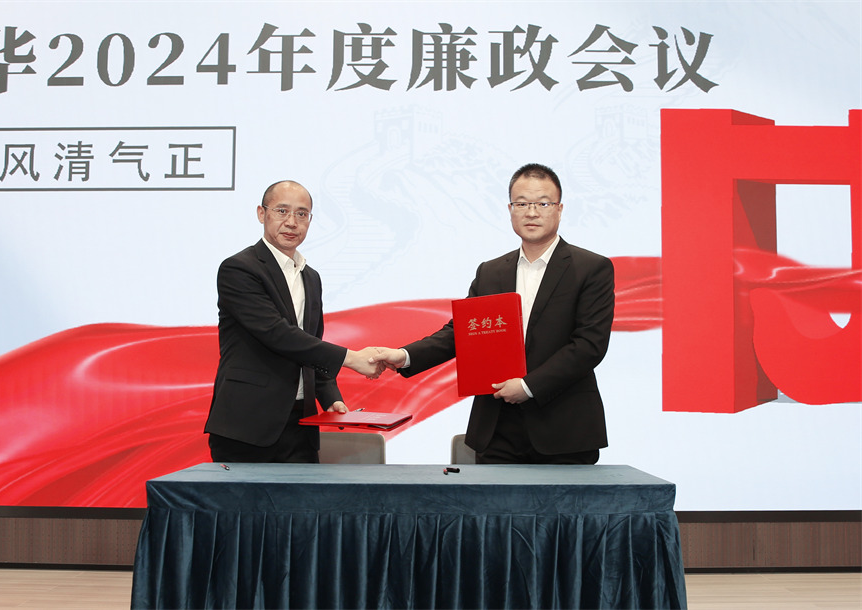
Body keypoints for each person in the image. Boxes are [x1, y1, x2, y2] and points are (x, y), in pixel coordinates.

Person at [372, 163, 615, 464]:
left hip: (564, 429)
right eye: (521, 204)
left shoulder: (591, 268)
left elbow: (589, 346)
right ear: (510, 209)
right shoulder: (491, 271)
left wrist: (528, 387)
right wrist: (405, 355)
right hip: (498, 428)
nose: (531, 212)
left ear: (559, 209)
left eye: (543, 203)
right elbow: (461, 333)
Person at [204, 180, 381, 463]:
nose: (291, 222)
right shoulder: (239, 269)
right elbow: (277, 334)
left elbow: (311, 342)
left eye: (302, 214)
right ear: (262, 213)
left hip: (302, 426)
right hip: (248, 424)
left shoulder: (311, 277)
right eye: (282, 211)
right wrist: (352, 358)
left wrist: (330, 396)